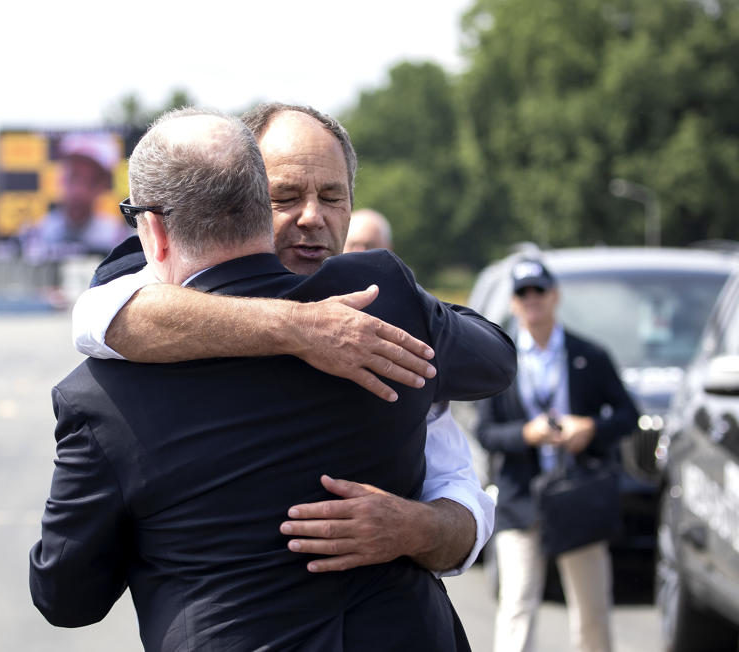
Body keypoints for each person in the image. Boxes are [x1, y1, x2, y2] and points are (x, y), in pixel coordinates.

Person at [30, 108, 515, 649]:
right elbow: (102, 310)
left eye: (332, 197)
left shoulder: (382, 306)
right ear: (252, 198)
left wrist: (416, 528)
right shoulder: (383, 301)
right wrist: (296, 327)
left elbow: (68, 595)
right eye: (286, 197)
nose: (312, 217)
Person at [475, 258, 639, 652]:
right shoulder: (503, 359)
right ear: (514, 303)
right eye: (523, 293)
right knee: (516, 606)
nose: (532, 300)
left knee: (591, 611)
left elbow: (628, 415)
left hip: (577, 492)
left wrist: (590, 429)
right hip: (521, 495)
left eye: (539, 291)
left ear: (555, 296)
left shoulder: (589, 355)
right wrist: (526, 434)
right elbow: (485, 430)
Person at [20, 132, 131, 262]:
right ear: (61, 178)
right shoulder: (37, 234)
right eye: (74, 176)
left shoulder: (118, 236)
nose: (79, 190)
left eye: (91, 181)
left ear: (103, 186)